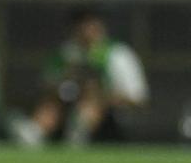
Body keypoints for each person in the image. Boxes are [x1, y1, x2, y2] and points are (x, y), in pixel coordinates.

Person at [9, 8, 148, 147]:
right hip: (68, 107)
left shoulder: (118, 54)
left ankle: (78, 134)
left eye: (90, 25)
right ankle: (34, 132)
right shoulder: (66, 53)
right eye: (80, 25)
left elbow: (137, 97)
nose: (85, 30)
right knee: (52, 103)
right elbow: (48, 85)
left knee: (90, 102)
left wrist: (100, 95)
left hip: (109, 112)